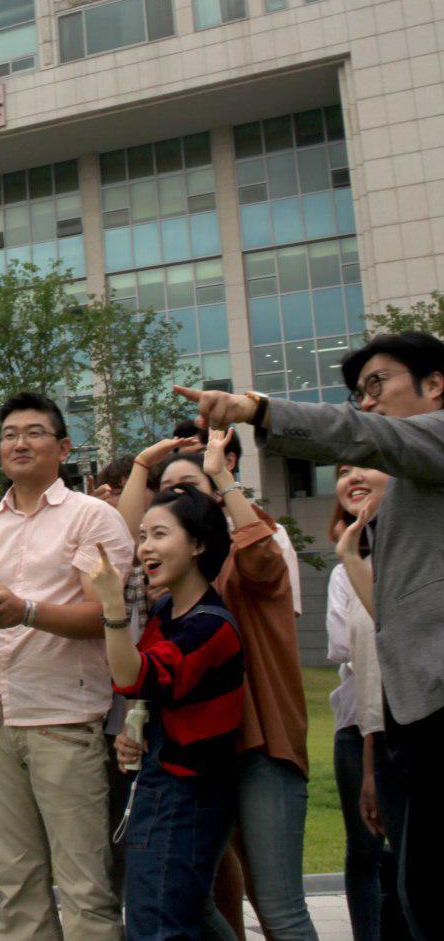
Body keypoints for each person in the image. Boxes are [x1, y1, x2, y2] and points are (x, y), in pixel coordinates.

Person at [174, 331, 444, 938]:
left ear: (436, 385)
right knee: (415, 891)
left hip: (427, 706)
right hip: (413, 714)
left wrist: (255, 410)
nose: (366, 404)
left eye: (377, 385)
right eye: (357, 392)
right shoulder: (407, 486)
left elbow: (363, 435)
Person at [0, 392, 135, 941]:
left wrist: (27, 611)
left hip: (62, 717)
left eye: (35, 432)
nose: (19, 442)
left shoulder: (95, 518)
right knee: (16, 885)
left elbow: (104, 615)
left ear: (63, 447)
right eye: (10, 433)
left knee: (86, 886)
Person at [118, 429, 317, 940]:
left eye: (188, 487)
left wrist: (225, 476)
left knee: (276, 905)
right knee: (188, 899)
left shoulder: (250, 552)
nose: (174, 497)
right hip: (204, 754)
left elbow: (258, 559)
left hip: (261, 743)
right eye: (166, 490)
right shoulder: (170, 593)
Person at [89, 483, 244, 941]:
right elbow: (140, 690)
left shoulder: (210, 625)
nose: (146, 548)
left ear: (198, 543)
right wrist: (133, 730)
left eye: (160, 534)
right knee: (185, 914)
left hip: (187, 795)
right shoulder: (167, 614)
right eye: (142, 536)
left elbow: (136, 677)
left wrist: (112, 604)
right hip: (163, 786)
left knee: (157, 923)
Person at [327, 464, 407, 941]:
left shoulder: (416, 559)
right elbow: (351, 652)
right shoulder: (345, 568)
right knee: (368, 851)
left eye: (365, 465)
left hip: (405, 730)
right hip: (364, 728)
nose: (351, 476)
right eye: (341, 470)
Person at [172, 418, 302, 616]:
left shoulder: (271, 536)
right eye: (182, 461)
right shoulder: (170, 539)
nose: (189, 470)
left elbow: (284, 612)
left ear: (229, 461)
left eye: (200, 457)